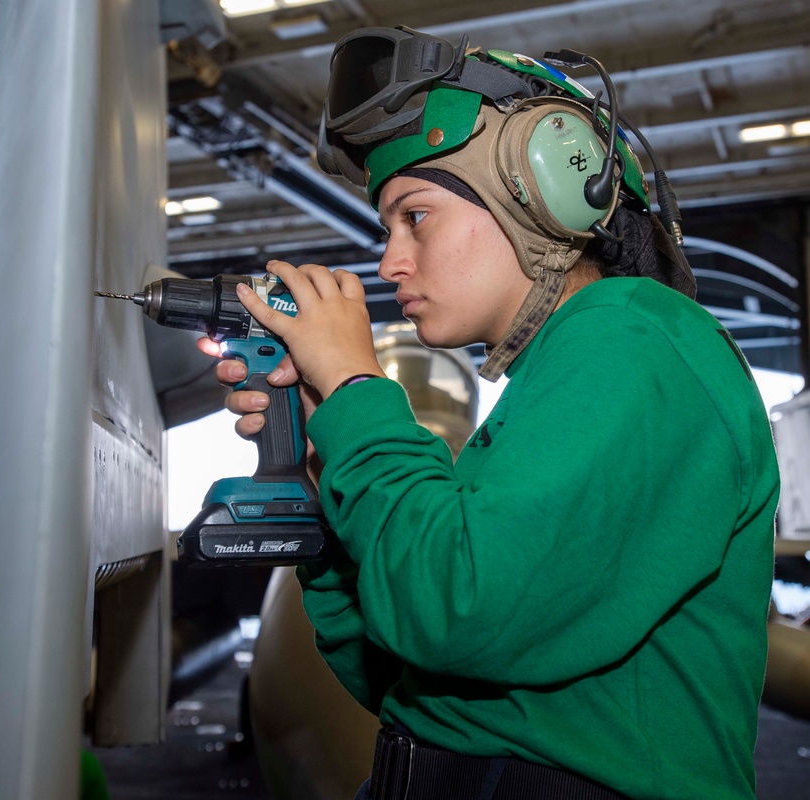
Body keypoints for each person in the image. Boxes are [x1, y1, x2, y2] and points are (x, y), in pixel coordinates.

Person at [199, 27, 780, 800]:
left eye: (416, 216)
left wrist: (355, 392)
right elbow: (410, 674)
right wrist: (323, 469)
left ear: (542, 184)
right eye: (386, 229)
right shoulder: (555, 386)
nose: (388, 261)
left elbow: (456, 612)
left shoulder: (640, 335)